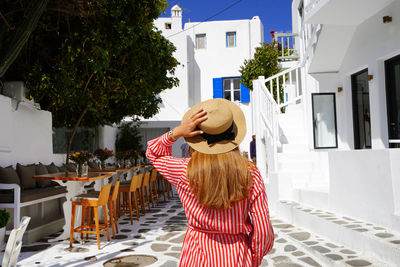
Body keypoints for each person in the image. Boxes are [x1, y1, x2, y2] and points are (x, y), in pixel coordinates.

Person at [146, 98, 274, 267]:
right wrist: (253, 259)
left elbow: (153, 152)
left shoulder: (183, 170)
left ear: (195, 136)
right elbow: (263, 229)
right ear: (233, 135)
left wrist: (176, 132)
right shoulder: (250, 172)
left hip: (196, 255)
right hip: (237, 256)